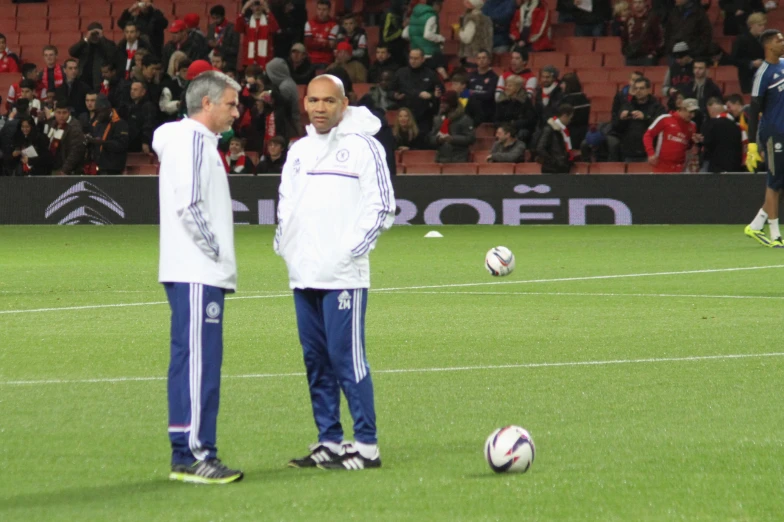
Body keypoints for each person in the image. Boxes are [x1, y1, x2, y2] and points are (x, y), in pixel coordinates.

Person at [276, 74, 395, 471]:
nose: (320, 108)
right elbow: (286, 205)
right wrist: (287, 248)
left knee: (347, 358)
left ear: (344, 104)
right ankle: (329, 440)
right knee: (316, 358)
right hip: (304, 274)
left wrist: (349, 254)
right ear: (304, 104)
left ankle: (366, 446)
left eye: (328, 101)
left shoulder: (365, 147)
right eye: (313, 100)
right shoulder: (299, 151)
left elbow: (381, 207)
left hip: (343, 276)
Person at [153, 70, 243, 484]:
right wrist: (216, 254)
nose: (236, 113)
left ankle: (191, 449)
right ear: (206, 103)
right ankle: (193, 454)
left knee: (197, 360)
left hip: (198, 272)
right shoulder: (189, 141)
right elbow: (189, 205)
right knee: (197, 362)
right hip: (196, 271)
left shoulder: (197, 142)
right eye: (231, 104)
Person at [744, 29, 784, 246]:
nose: (783, 42)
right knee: (774, 182)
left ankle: (756, 225)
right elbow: (754, 110)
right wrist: (751, 144)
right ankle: (775, 233)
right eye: (780, 40)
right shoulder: (763, 74)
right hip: (773, 133)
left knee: (781, 183)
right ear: (769, 46)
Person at [391, 48, 442, 135]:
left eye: (416, 58)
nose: (413, 61)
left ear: (422, 59)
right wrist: (394, 95)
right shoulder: (401, 73)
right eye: (411, 58)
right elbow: (390, 90)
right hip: (405, 114)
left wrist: (432, 95)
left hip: (424, 115)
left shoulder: (430, 74)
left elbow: (439, 91)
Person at [614, 76, 666, 162]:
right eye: (636, 88)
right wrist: (621, 120)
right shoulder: (627, 106)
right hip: (629, 152)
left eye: (641, 88)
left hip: (649, 153)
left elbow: (662, 127)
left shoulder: (657, 107)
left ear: (649, 90)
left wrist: (645, 117)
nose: (638, 91)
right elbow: (617, 128)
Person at [642, 97, 698, 173]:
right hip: (661, 166)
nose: (692, 115)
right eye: (690, 112)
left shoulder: (692, 125)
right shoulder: (665, 119)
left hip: (680, 169)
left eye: (694, 112)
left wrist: (696, 142)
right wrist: (651, 153)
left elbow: (688, 146)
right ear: (681, 109)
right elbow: (648, 135)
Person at [86, 94, 130, 175]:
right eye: (96, 112)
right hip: (98, 167)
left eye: (101, 112)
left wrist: (102, 142)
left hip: (114, 169)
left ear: (108, 110)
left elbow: (121, 145)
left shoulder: (120, 124)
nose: (99, 115)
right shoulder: (97, 124)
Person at [404, 0, 448, 80]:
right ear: (436, 4)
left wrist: (415, 40)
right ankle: (446, 79)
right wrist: (441, 38)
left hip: (415, 51)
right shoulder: (431, 16)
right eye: (440, 5)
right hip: (429, 53)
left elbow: (405, 34)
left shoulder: (414, 15)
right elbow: (428, 35)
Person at [429, 90, 476, 163]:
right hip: (440, 160)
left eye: (445, 103)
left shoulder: (464, 119)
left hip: (458, 160)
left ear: (452, 104)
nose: (441, 105)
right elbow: (431, 138)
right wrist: (438, 139)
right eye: (441, 103)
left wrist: (452, 139)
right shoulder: (438, 119)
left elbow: (470, 138)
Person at [69, 22, 118, 91]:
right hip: (82, 81)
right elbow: (72, 52)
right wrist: (85, 39)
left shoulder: (107, 43)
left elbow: (112, 54)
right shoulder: (84, 44)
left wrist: (102, 38)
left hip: (99, 81)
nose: (94, 36)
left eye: (97, 34)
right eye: (92, 34)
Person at [46, 96, 86, 176]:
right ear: (55, 113)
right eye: (58, 112)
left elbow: (76, 152)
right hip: (53, 167)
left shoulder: (74, 127)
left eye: (64, 112)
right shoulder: (53, 124)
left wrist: (65, 170)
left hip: (67, 171)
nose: (61, 116)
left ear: (69, 112)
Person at [702, 97, 743, 173]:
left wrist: (701, 141)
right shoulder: (737, 126)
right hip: (735, 167)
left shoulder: (713, 124)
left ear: (711, 111)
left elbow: (708, 143)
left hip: (717, 168)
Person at [235, 0, 280, 70]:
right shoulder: (247, 21)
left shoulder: (268, 20)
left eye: (259, 5)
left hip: (265, 61)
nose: (257, 8)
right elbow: (238, 28)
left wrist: (267, 10)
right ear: (250, 7)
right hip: (249, 60)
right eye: (254, 5)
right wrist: (243, 9)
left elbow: (275, 28)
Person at [494, 74, 536, 145]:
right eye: (506, 85)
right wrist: (505, 127)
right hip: (505, 128)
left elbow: (530, 120)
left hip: (520, 129)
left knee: (522, 134)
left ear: (517, 88)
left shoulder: (525, 101)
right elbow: (496, 119)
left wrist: (514, 124)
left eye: (510, 86)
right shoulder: (501, 100)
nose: (506, 88)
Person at [621, 0, 663, 66]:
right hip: (631, 56)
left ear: (645, 3)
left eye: (640, 2)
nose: (637, 5)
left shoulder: (652, 18)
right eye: (635, 2)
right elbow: (624, 37)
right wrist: (625, 51)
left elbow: (659, 37)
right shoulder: (629, 18)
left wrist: (654, 52)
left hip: (647, 57)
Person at [732, 13, 766, 94]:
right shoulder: (741, 39)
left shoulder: (763, 39)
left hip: (763, 76)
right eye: (760, 25)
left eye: (764, 25)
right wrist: (751, 63)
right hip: (748, 77)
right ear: (751, 25)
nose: (763, 27)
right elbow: (734, 59)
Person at [536, 103, 574, 173]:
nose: (570, 121)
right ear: (565, 116)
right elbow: (540, 148)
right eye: (570, 118)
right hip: (551, 170)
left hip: (560, 169)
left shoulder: (562, 130)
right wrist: (553, 162)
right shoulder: (550, 129)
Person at [304, 0, 339, 70]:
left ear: (329, 11)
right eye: (319, 9)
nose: (321, 12)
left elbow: (331, 46)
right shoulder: (309, 23)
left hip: (326, 61)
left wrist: (315, 41)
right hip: (310, 59)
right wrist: (324, 42)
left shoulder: (334, 25)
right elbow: (308, 44)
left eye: (324, 9)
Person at [465, 49, 498, 124]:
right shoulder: (471, 76)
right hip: (470, 108)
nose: (481, 60)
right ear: (476, 61)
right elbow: (465, 92)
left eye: (484, 58)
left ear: (489, 61)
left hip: (485, 109)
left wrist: (473, 93)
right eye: (479, 58)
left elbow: (489, 95)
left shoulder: (494, 77)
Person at [559, 72, 590, 148]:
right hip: (583, 133)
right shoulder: (584, 98)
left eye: (563, 83)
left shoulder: (567, 100)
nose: (561, 86)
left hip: (570, 135)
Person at [125, 80, 157, 154]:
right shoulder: (130, 106)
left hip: (141, 145)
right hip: (131, 145)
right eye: (131, 89)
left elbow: (149, 124)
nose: (132, 91)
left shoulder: (148, 106)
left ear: (143, 92)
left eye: (135, 89)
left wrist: (145, 142)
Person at [207, 5, 240, 73]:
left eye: (217, 18)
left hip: (227, 62)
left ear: (223, 16)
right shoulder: (211, 27)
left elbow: (234, 50)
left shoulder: (233, 28)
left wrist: (218, 46)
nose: (215, 20)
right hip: (212, 60)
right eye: (213, 18)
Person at [381, 0, 407, 66]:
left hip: (400, 49)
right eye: (404, 5)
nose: (405, 7)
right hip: (391, 52)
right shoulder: (389, 15)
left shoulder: (399, 12)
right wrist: (402, 28)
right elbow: (386, 37)